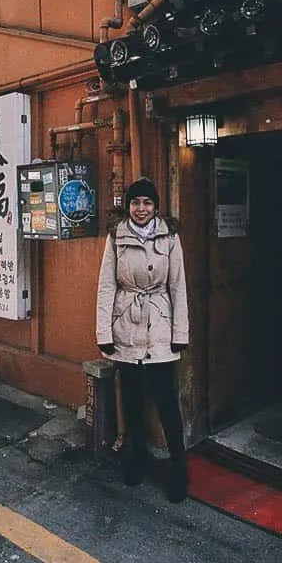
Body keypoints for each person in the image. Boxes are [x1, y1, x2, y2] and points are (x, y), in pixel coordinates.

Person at [96, 177, 190, 503]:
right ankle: (136, 460)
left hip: (161, 329)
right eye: (135, 202)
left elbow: (177, 286)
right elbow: (107, 286)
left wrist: (180, 334)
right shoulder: (116, 237)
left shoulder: (170, 237)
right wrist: (104, 334)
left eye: (147, 203)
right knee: (132, 404)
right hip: (126, 328)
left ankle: (179, 469)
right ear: (128, 206)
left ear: (156, 207)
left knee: (167, 405)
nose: (141, 209)